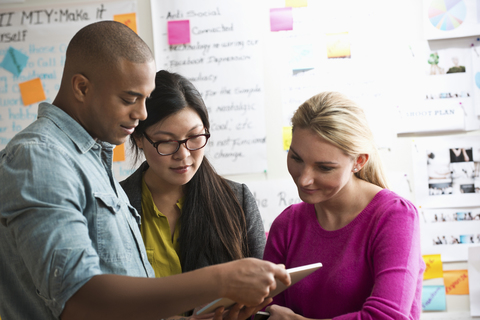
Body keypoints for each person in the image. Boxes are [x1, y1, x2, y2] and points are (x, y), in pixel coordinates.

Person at [0, 21, 290, 320]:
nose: (141, 114)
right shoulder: (39, 157)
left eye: (145, 98)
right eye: (129, 99)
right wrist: (221, 280)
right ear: (82, 87)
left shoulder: (90, 158)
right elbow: (78, 299)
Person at [263, 92, 425, 320]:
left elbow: (387, 317)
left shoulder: (395, 216)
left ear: (358, 162)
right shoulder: (287, 224)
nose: (304, 179)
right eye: (296, 158)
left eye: (324, 168)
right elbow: (266, 313)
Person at [120, 70, 265, 281]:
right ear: (140, 139)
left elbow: (263, 289)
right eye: (167, 141)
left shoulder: (237, 200)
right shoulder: (116, 203)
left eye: (195, 136)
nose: (183, 154)